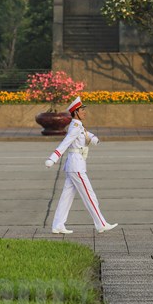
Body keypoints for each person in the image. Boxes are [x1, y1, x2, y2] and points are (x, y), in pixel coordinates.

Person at [44, 96, 118, 234]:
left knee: (66, 197)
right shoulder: (76, 127)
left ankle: (58, 225)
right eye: (82, 110)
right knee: (90, 195)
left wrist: (94, 139)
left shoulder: (78, 126)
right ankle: (101, 223)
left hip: (74, 165)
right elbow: (66, 142)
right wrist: (53, 158)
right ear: (75, 112)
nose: (84, 112)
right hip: (76, 166)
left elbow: (86, 134)